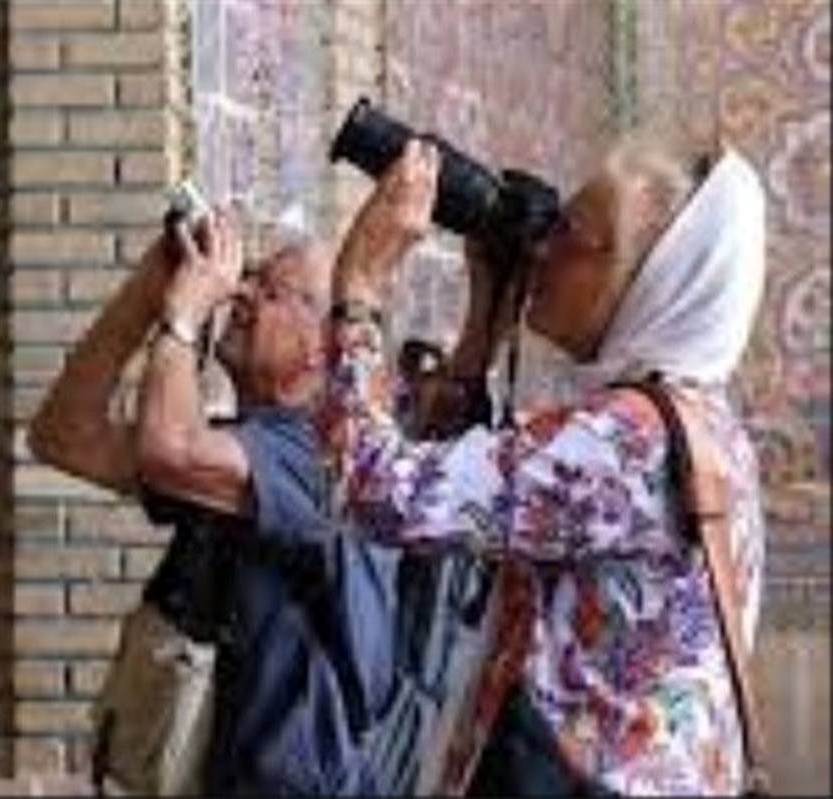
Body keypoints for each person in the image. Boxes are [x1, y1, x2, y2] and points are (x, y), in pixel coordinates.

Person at [320, 137, 767, 796]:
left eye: (569, 234)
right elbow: (455, 486)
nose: (540, 251)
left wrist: (360, 287)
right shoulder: (704, 425)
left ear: (652, 281)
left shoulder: (625, 440)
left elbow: (374, 490)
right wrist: (485, 325)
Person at [28, 212, 406, 795]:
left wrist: (183, 320)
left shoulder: (325, 458)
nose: (241, 294)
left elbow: (171, 450)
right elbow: (63, 437)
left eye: (270, 290)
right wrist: (149, 289)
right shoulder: (241, 446)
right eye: (249, 276)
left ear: (321, 347)